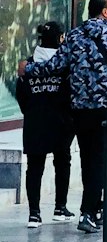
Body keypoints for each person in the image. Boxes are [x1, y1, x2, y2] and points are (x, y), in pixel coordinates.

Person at [20, 0, 107, 233]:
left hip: (81, 109)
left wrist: (28, 69)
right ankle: (89, 212)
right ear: (104, 11)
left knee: (88, 159)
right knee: (102, 160)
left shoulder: (74, 36)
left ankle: (93, 207)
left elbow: (54, 66)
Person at [15, 22, 75, 228]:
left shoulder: (27, 66)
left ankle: (34, 214)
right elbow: (70, 93)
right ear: (60, 39)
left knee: (35, 166)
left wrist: (32, 112)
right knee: (62, 160)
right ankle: (60, 208)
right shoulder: (64, 66)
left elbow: (21, 95)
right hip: (61, 121)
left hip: (35, 122)